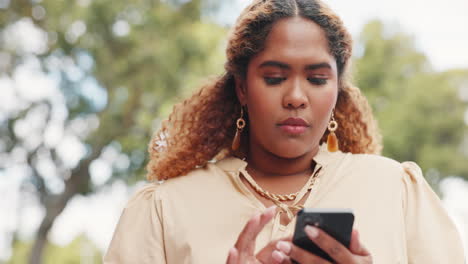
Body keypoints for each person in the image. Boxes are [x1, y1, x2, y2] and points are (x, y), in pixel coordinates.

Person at [103, 0, 465, 263]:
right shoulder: (165, 210)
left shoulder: (396, 191)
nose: (295, 97)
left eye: (317, 79)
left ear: (337, 90)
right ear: (242, 88)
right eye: (274, 78)